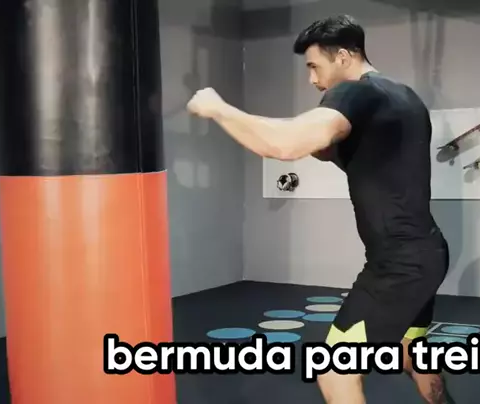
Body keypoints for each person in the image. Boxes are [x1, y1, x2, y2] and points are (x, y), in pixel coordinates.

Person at [187, 14, 452, 404]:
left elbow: (284, 146)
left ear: (343, 57)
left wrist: (219, 109)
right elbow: (342, 152)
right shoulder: (404, 97)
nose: (312, 79)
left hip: (398, 266)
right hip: (429, 252)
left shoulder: (353, 93)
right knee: (415, 354)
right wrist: (303, 135)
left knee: (335, 373)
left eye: (315, 66)